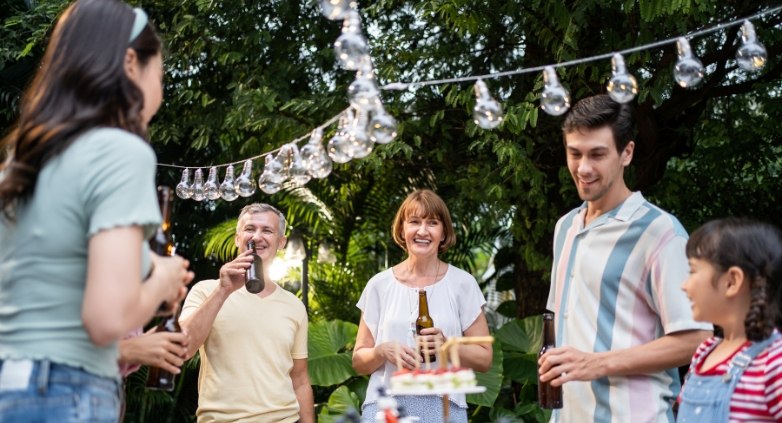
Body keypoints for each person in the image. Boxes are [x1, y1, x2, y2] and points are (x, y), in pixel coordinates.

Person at [0, 1, 193, 421]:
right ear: (130, 63)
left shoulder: (25, 159)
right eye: (160, 75)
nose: (160, 92)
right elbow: (106, 319)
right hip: (66, 390)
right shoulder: (120, 150)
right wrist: (162, 278)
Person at [538, 94, 712, 422]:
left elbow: (697, 338)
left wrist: (596, 363)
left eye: (597, 154)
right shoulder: (565, 227)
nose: (583, 168)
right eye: (574, 153)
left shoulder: (660, 231)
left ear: (626, 153)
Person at [353, 189, 492, 422]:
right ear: (402, 229)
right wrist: (381, 351)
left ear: (443, 232)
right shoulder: (379, 285)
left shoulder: (463, 284)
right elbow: (359, 362)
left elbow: (485, 359)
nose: (423, 231)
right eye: (414, 222)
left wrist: (447, 346)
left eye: (432, 223)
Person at [179, 203, 314, 423]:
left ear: (281, 242)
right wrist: (223, 291)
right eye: (250, 229)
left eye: (267, 230)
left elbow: (299, 379)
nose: (257, 237)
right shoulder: (206, 291)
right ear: (237, 238)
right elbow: (182, 349)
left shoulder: (294, 305)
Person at [677, 218, 782, 422]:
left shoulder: (774, 362)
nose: (684, 285)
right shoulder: (704, 352)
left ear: (732, 282)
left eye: (693, 271)